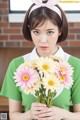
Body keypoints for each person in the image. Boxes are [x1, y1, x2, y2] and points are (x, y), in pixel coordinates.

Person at [1, 0, 80, 119]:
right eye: (36, 32)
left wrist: (63, 114)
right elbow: (13, 115)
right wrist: (29, 115)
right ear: (29, 31)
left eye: (50, 32)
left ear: (60, 30)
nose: (43, 40)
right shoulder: (17, 65)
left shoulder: (75, 65)